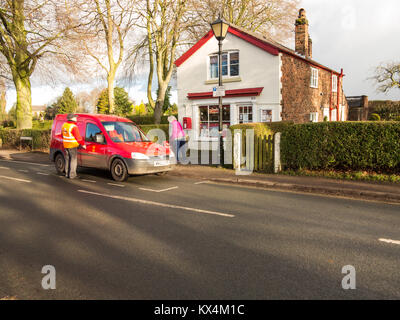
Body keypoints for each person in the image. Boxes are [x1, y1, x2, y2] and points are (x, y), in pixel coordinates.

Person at [62, 114, 86, 179]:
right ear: (72, 118)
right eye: (75, 117)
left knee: (67, 159)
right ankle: (72, 175)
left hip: (66, 145)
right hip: (72, 145)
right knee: (73, 160)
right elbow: (78, 138)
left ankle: (67, 173)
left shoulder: (64, 125)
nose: (76, 118)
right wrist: (83, 144)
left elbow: (62, 135)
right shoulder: (73, 127)